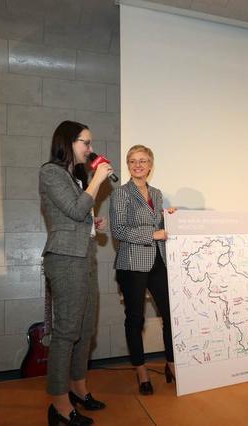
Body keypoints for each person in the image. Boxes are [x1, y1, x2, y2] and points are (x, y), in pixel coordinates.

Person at [40, 120, 113, 426]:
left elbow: (78, 215)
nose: (90, 148)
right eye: (86, 142)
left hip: (85, 257)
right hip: (65, 259)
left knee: (85, 331)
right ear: (68, 142)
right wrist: (97, 181)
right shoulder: (51, 172)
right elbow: (73, 210)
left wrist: (93, 224)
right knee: (67, 332)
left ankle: (78, 388)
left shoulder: (77, 178)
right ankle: (59, 405)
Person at [109, 145, 175, 395]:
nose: (138, 165)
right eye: (133, 161)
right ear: (128, 165)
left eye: (143, 161)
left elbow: (159, 224)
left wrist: (170, 218)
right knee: (135, 319)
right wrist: (152, 233)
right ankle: (141, 372)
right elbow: (118, 230)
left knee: (170, 315)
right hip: (132, 264)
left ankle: (171, 364)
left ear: (150, 165)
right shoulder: (120, 193)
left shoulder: (156, 194)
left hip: (158, 262)